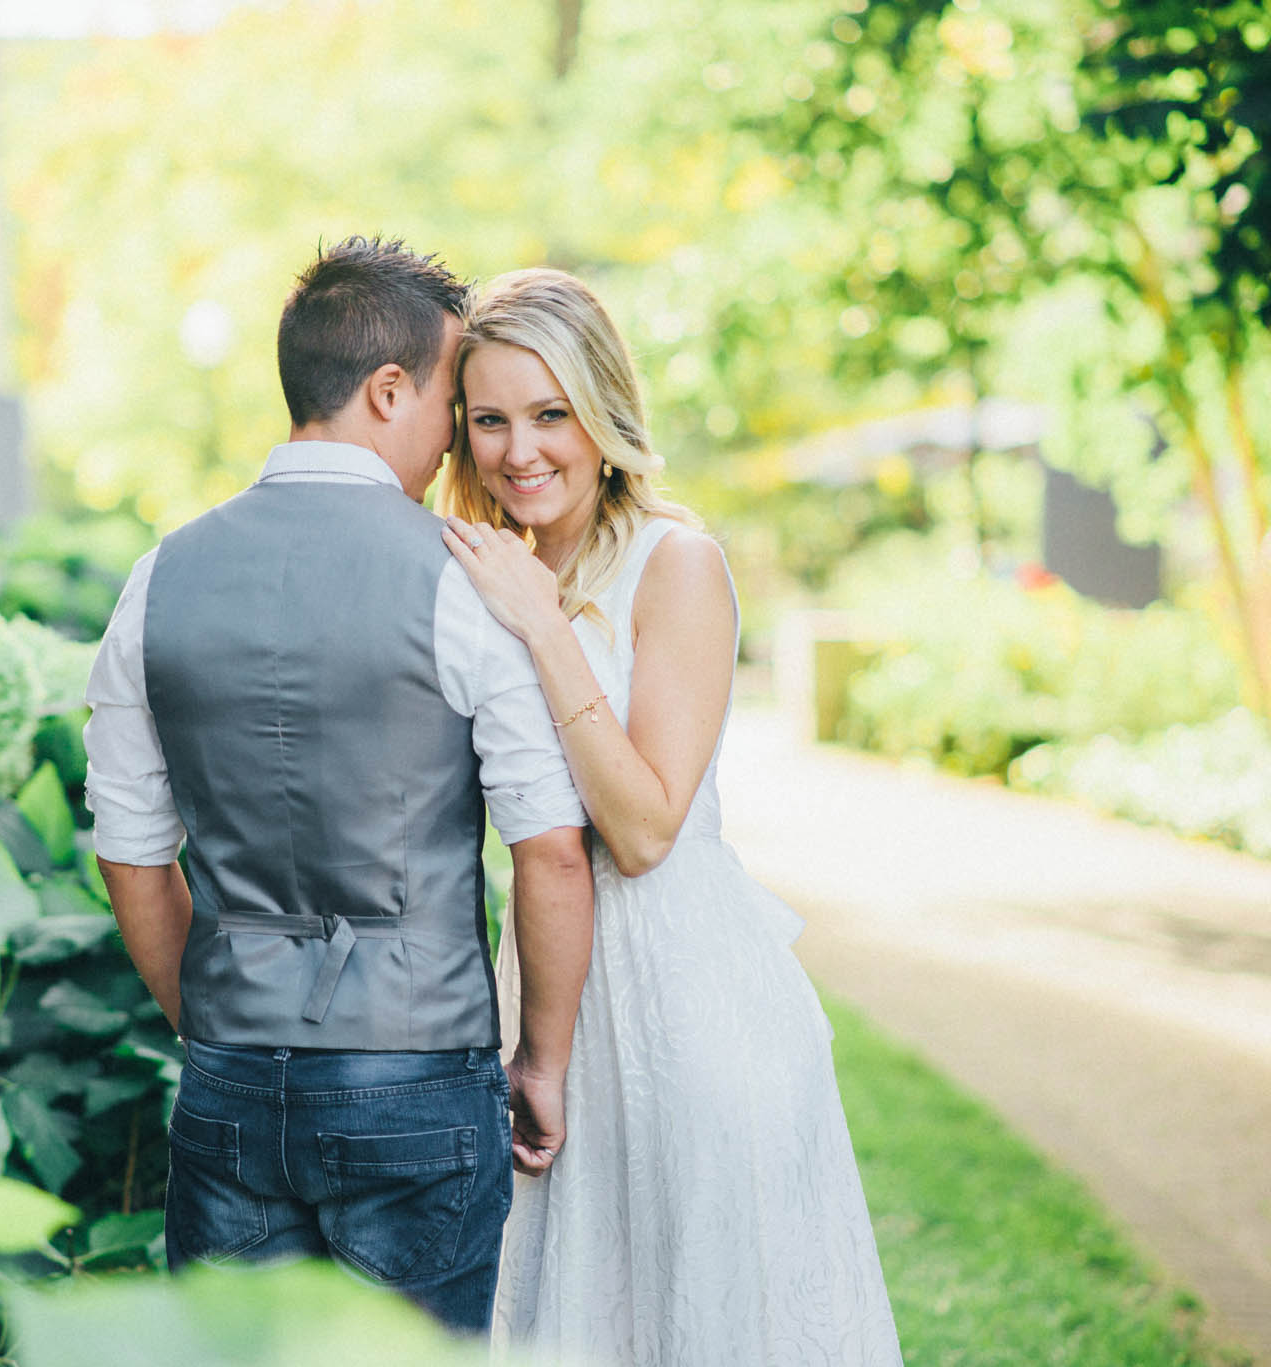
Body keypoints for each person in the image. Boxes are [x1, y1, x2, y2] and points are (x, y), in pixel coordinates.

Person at [82, 237, 596, 1335]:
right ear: (386, 389)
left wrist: (210, 1020)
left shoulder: (157, 576)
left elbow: (131, 846)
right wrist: (541, 1058)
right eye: (456, 401)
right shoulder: (461, 580)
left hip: (229, 1080)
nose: (461, 434)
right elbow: (548, 845)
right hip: (414, 1080)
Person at [439, 267, 905, 1364]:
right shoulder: (479, 561)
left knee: (707, 1320)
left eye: (551, 413)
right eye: (491, 419)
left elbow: (644, 830)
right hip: (551, 991)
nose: (521, 451)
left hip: (685, 1002)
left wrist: (544, 629)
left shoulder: (674, 562)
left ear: (603, 415)